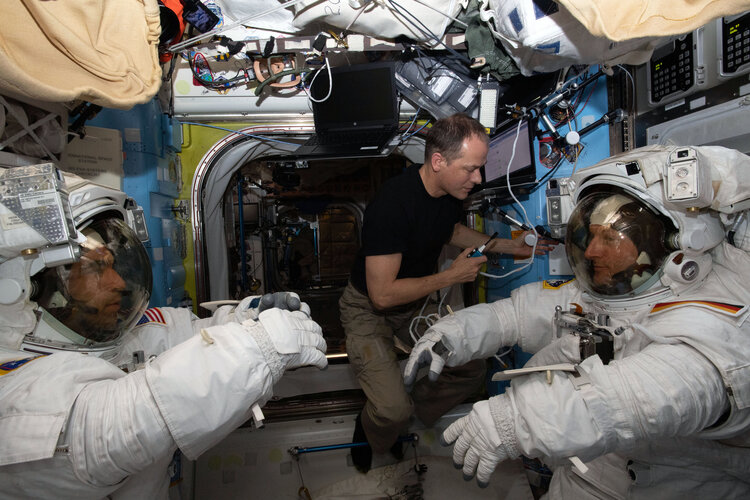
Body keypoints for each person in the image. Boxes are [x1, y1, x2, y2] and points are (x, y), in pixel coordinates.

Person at [404, 145, 750, 497]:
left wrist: (517, 421)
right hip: (587, 473)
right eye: (591, 236)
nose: (591, 252)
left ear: (668, 241)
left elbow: (642, 396)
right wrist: (452, 334)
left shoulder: (715, 320)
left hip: (669, 485)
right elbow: (511, 316)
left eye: (610, 238)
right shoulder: (606, 296)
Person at [0, 172, 328, 498]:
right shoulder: (14, 379)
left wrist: (247, 317)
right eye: (98, 269)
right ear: (24, 286)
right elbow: (106, 432)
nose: (118, 283)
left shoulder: (116, 335)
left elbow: (189, 337)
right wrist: (257, 348)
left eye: (114, 266)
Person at [339, 113, 555, 472]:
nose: (479, 179)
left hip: (414, 304)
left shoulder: (450, 193)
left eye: (481, 168)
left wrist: (506, 246)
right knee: (390, 411)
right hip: (370, 310)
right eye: (471, 169)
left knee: (471, 370)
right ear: (438, 161)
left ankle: (407, 412)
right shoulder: (392, 206)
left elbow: (449, 231)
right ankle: (376, 426)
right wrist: (450, 276)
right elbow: (382, 295)